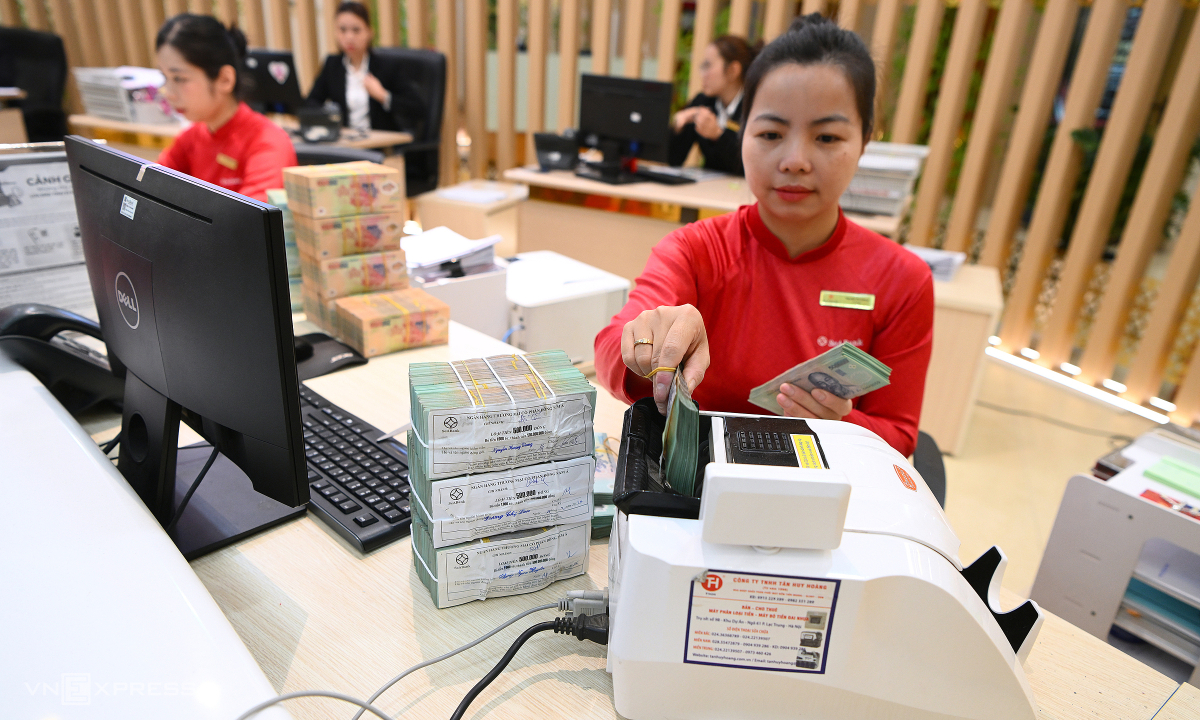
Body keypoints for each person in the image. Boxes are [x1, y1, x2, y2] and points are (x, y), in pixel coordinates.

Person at [594, 14, 934, 457]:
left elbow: (899, 433)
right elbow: (609, 349)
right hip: (702, 479)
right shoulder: (695, 250)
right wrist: (647, 343)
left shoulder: (902, 280)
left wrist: (842, 423)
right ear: (743, 134)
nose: (795, 160)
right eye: (771, 133)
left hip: (830, 481)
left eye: (827, 137)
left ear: (865, 141)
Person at [155, 14, 297, 202]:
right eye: (165, 77)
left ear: (224, 79)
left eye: (179, 78)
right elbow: (149, 188)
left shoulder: (268, 143)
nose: (168, 92)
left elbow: (248, 218)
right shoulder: (190, 139)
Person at [306, 1, 426, 135]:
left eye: (356, 30)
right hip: (345, 141)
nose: (349, 37)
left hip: (380, 141)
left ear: (369, 32)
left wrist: (383, 96)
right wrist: (329, 112)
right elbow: (311, 102)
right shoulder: (332, 65)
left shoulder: (386, 66)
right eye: (342, 30)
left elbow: (418, 109)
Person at [667, 35, 759, 176]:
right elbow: (673, 160)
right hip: (707, 187)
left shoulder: (753, 107)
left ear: (733, 70)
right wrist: (678, 128)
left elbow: (749, 167)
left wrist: (718, 135)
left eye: (707, 66)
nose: (702, 74)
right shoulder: (703, 102)